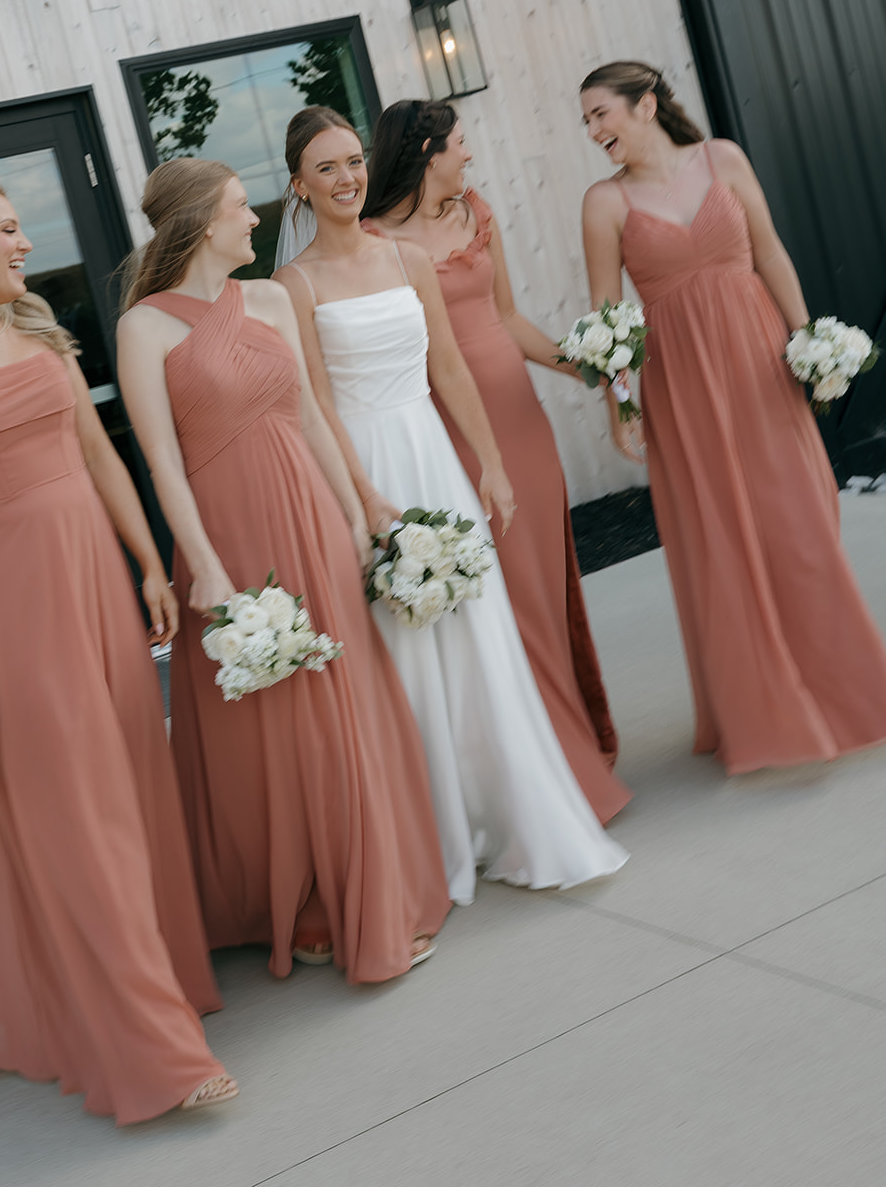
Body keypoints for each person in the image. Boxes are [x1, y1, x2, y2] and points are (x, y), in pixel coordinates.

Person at [0, 177, 235, 1123]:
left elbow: (101, 456)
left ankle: (152, 982)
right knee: (73, 810)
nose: (27, 244)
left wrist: (150, 561)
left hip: (93, 580)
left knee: (124, 786)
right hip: (2, 602)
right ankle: (154, 1052)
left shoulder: (41, 331)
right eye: (10, 230)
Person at [274, 107, 628, 905]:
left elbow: (452, 370)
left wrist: (492, 467)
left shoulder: (405, 260)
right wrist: (362, 496)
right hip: (366, 470)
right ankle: (433, 832)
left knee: (478, 632)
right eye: (325, 168)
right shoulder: (291, 285)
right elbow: (315, 403)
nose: (345, 178)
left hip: (433, 454)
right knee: (401, 647)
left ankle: (517, 815)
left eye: (353, 162)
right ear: (298, 184)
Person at [116, 159, 450, 982]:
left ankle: (361, 894)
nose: (255, 221)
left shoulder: (267, 300)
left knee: (339, 709)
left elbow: (308, 417)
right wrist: (203, 568)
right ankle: (297, 904)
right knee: (265, 728)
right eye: (240, 209)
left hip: (306, 517)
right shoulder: (144, 328)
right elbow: (160, 463)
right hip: (227, 537)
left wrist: (358, 518)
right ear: (199, 221)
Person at [580, 60, 886, 773]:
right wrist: (616, 405)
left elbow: (770, 252)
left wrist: (811, 342)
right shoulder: (604, 202)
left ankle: (846, 690)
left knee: (800, 520)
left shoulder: (721, 158)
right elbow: (606, 319)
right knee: (721, 539)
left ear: (645, 104)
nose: (594, 131)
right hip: (679, 384)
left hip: (758, 362)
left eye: (601, 113)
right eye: (586, 121)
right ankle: (764, 708)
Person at [362, 99, 629, 824]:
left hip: (521, 423)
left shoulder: (474, 212)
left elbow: (507, 320)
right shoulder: (373, 241)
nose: (469, 154)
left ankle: (575, 751)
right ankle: (549, 778)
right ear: (423, 151)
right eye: (457, 143)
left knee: (544, 590)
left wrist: (585, 366)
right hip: (450, 432)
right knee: (505, 604)